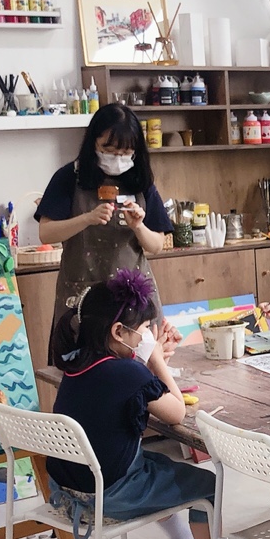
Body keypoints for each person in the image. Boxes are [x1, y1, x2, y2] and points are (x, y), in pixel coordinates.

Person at [49, 270, 222, 539]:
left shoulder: (77, 364)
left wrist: (145, 362)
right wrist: (155, 359)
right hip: (108, 495)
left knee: (159, 464)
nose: (146, 336)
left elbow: (122, 386)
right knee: (209, 485)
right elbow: (177, 412)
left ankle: (180, 535)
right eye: (143, 330)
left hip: (66, 491)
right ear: (118, 331)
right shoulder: (127, 372)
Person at [36, 104, 173, 365]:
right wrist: (87, 219)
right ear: (93, 143)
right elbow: (46, 232)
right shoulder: (69, 177)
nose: (118, 158)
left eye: (126, 152)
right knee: (81, 367)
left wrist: (138, 226)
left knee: (140, 369)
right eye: (109, 150)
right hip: (82, 294)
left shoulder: (141, 181)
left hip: (132, 300)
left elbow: (156, 245)